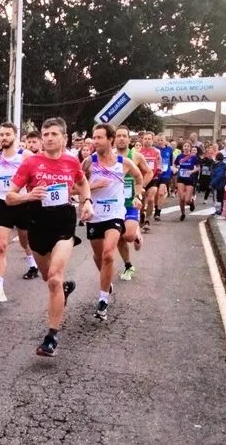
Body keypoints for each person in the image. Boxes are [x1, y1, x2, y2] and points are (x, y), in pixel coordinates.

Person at [7, 117, 94, 357]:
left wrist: (87, 201)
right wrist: (28, 196)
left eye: (54, 134)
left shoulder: (71, 161)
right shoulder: (30, 163)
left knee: (54, 278)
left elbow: (82, 182)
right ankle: (63, 288)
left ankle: (51, 337)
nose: (49, 138)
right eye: (45, 134)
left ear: (64, 138)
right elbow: (10, 197)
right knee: (48, 277)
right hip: (37, 221)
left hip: (63, 220)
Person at [83, 124, 143, 320]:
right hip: (95, 216)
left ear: (110, 139)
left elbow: (139, 178)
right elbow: (77, 186)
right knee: (98, 256)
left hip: (116, 215)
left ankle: (103, 300)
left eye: (99, 137)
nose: (95, 141)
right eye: (94, 137)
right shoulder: (88, 163)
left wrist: (138, 196)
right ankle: (106, 280)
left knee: (109, 254)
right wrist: (93, 186)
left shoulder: (123, 163)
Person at [0, 123, 37, 301]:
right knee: (0, 246)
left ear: (15, 135)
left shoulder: (25, 155)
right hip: (2, 203)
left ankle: (32, 263)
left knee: (25, 240)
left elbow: (36, 176)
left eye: (7, 134)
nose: (4, 138)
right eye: (1, 135)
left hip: (22, 202)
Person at [112, 126, 147, 282]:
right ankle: (128, 265)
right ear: (113, 138)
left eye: (124, 136)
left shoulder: (136, 156)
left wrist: (139, 190)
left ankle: (136, 232)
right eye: (118, 135)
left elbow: (148, 172)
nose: (121, 138)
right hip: (114, 203)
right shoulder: (109, 156)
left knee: (128, 236)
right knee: (119, 237)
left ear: (128, 139)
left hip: (131, 202)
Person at [138, 132, 163, 232]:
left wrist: (159, 170)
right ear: (142, 140)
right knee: (142, 201)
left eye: (149, 139)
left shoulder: (156, 152)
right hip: (141, 179)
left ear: (152, 141)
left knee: (151, 199)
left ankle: (147, 220)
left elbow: (159, 164)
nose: (147, 140)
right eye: (145, 139)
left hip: (153, 178)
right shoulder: (138, 152)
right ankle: (141, 215)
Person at [172, 142, 200, 221]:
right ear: (183, 148)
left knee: (187, 200)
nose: (186, 147)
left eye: (188, 146)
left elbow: (198, 167)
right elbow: (174, 164)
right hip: (181, 178)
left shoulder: (193, 157)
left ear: (190, 148)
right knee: (181, 198)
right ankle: (183, 213)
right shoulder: (179, 156)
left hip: (189, 179)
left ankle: (191, 203)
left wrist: (192, 171)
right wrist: (176, 169)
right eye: (185, 146)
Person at [153, 133, 174, 222]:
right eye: (158, 140)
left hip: (166, 174)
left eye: (162, 140)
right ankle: (156, 207)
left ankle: (158, 212)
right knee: (156, 194)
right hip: (156, 174)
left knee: (161, 192)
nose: (160, 142)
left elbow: (171, 161)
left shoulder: (169, 149)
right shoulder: (154, 149)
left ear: (165, 141)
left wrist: (172, 168)